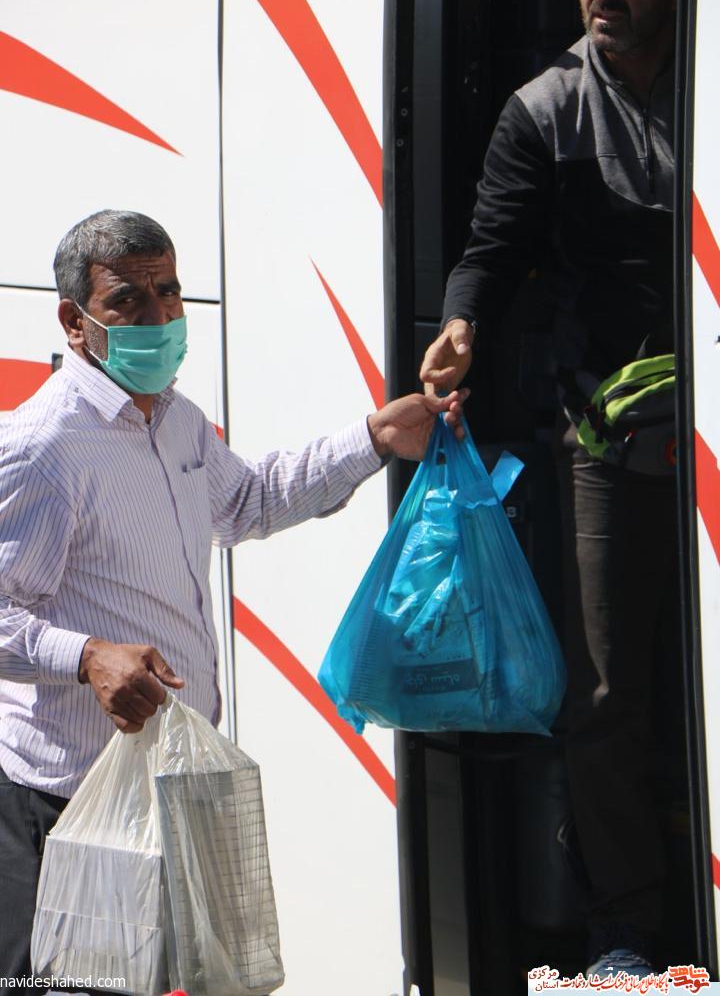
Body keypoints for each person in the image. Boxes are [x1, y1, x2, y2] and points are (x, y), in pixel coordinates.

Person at [0, 208, 467, 983]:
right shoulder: (42, 445)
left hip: (162, 795)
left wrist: (375, 439)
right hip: (67, 809)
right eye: (127, 301)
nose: (159, 318)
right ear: (74, 323)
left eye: (169, 292)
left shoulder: (176, 420)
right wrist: (86, 657)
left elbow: (248, 501)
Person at [420, 0, 678, 979]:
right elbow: (491, 249)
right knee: (608, 691)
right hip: (605, 433)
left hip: (702, 419)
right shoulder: (546, 108)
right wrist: (461, 325)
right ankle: (625, 928)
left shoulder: (701, 85)